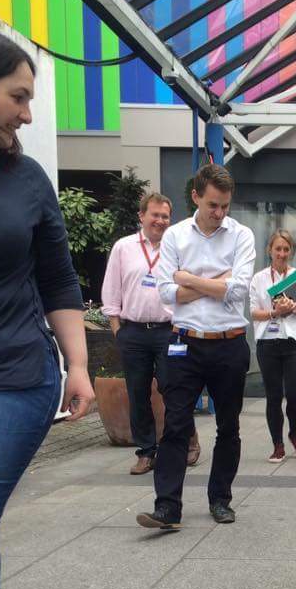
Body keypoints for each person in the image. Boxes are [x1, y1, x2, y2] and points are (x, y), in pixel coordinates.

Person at [0, 26, 94, 589]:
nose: (27, 113)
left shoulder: (26, 181)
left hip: (15, 373)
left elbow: (57, 280)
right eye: (17, 96)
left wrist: (77, 365)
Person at [136, 163, 255, 530]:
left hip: (229, 344)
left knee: (228, 427)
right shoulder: (174, 236)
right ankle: (167, 507)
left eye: (224, 206)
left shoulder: (241, 235)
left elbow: (238, 288)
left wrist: (188, 278)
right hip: (184, 344)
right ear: (196, 197)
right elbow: (167, 292)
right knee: (175, 425)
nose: (219, 214)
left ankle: (220, 499)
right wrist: (214, 281)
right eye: (212, 205)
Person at [101, 192, 200, 474]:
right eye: (154, 215)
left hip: (168, 331)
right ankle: (146, 452)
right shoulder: (123, 248)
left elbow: (190, 290)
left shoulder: (178, 248)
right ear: (142, 216)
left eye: (165, 216)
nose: (159, 221)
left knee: (175, 389)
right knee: (138, 392)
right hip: (133, 333)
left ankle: (187, 441)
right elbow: (111, 291)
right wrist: (117, 331)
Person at [249, 230, 296, 463]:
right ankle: (277, 444)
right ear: (270, 250)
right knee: (273, 397)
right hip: (268, 342)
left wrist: (295, 307)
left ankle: (294, 433)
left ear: (291, 252)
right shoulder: (259, 278)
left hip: (294, 341)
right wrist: (276, 312)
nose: (282, 253)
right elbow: (254, 312)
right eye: (278, 249)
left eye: (286, 249)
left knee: (295, 395)